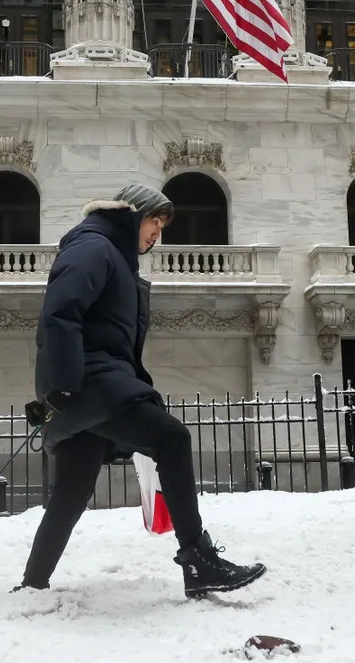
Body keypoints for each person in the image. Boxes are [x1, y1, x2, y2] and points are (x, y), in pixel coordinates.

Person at [19, 184, 267, 598]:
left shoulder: (112, 254)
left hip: (92, 383)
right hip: (90, 382)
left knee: (70, 493)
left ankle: (33, 584)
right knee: (172, 440)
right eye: (154, 221)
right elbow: (60, 312)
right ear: (133, 215)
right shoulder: (94, 247)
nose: (157, 233)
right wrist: (61, 385)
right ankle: (199, 560)